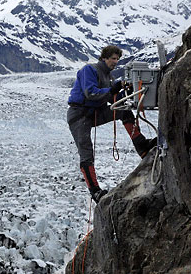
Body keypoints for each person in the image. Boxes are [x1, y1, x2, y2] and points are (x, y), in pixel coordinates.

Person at [67, 45, 156, 203]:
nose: (115, 62)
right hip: (79, 114)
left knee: (123, 110)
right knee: (86, 151)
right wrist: (113, 90)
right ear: (104, 58)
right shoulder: (90, 70)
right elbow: (91, 92)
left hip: (93, 113)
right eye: (113, 58)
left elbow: (113, 99)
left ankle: (142, 146)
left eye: (117, 59)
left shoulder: (109, 77)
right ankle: (95, 191)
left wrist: (125, 92)